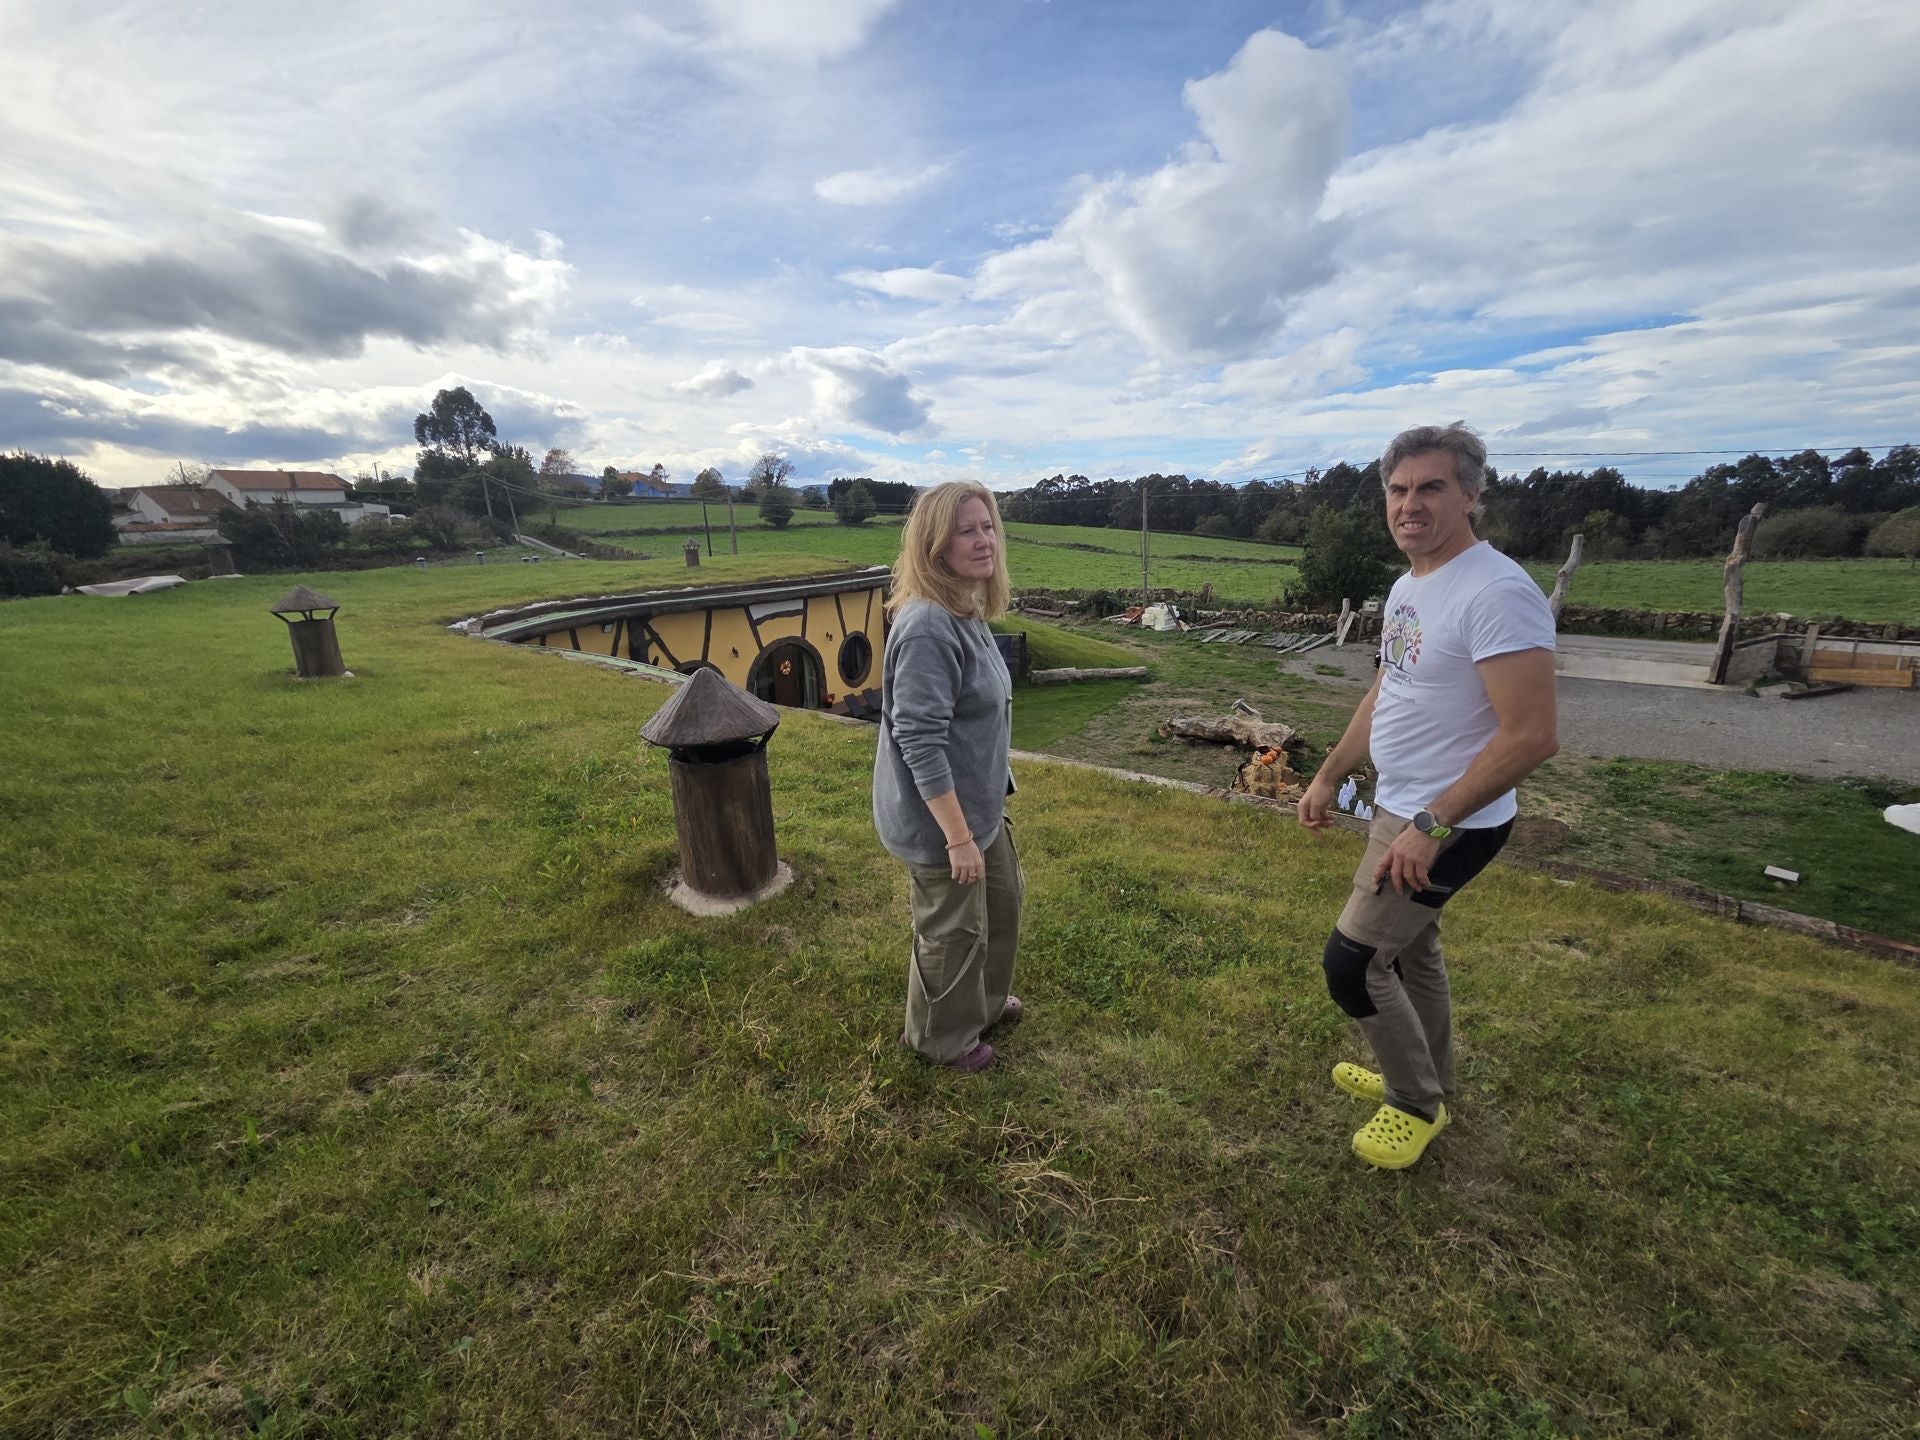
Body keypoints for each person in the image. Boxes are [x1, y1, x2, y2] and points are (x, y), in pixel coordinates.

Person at [1297, 424, 1558, 1169]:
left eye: (1431, 487)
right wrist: (1330, 773)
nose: (1410, 504)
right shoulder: (1411, 584)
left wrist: (1432, 825)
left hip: (1449, 823)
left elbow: (1532, 736)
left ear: (1471, 495)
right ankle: (1431, 1077)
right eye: (1399, 489)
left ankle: (1413, 1103)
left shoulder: (1497, 591)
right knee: (1412, 955)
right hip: (1401, 805)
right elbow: (1391, 687)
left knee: (1351, 964)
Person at [873, 482, 1025, 1073]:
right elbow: (919, 738)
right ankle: (940, 1039)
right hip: (941, 821)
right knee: (951, 931)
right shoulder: (929, 626)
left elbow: (979, 717)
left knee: (1001, 908)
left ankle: (980, 1006)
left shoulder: (966, 608)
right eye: (967, 530)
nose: (984, 539)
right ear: (935, 543)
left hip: (979, 807)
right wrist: (958, 838)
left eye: (987, 526)